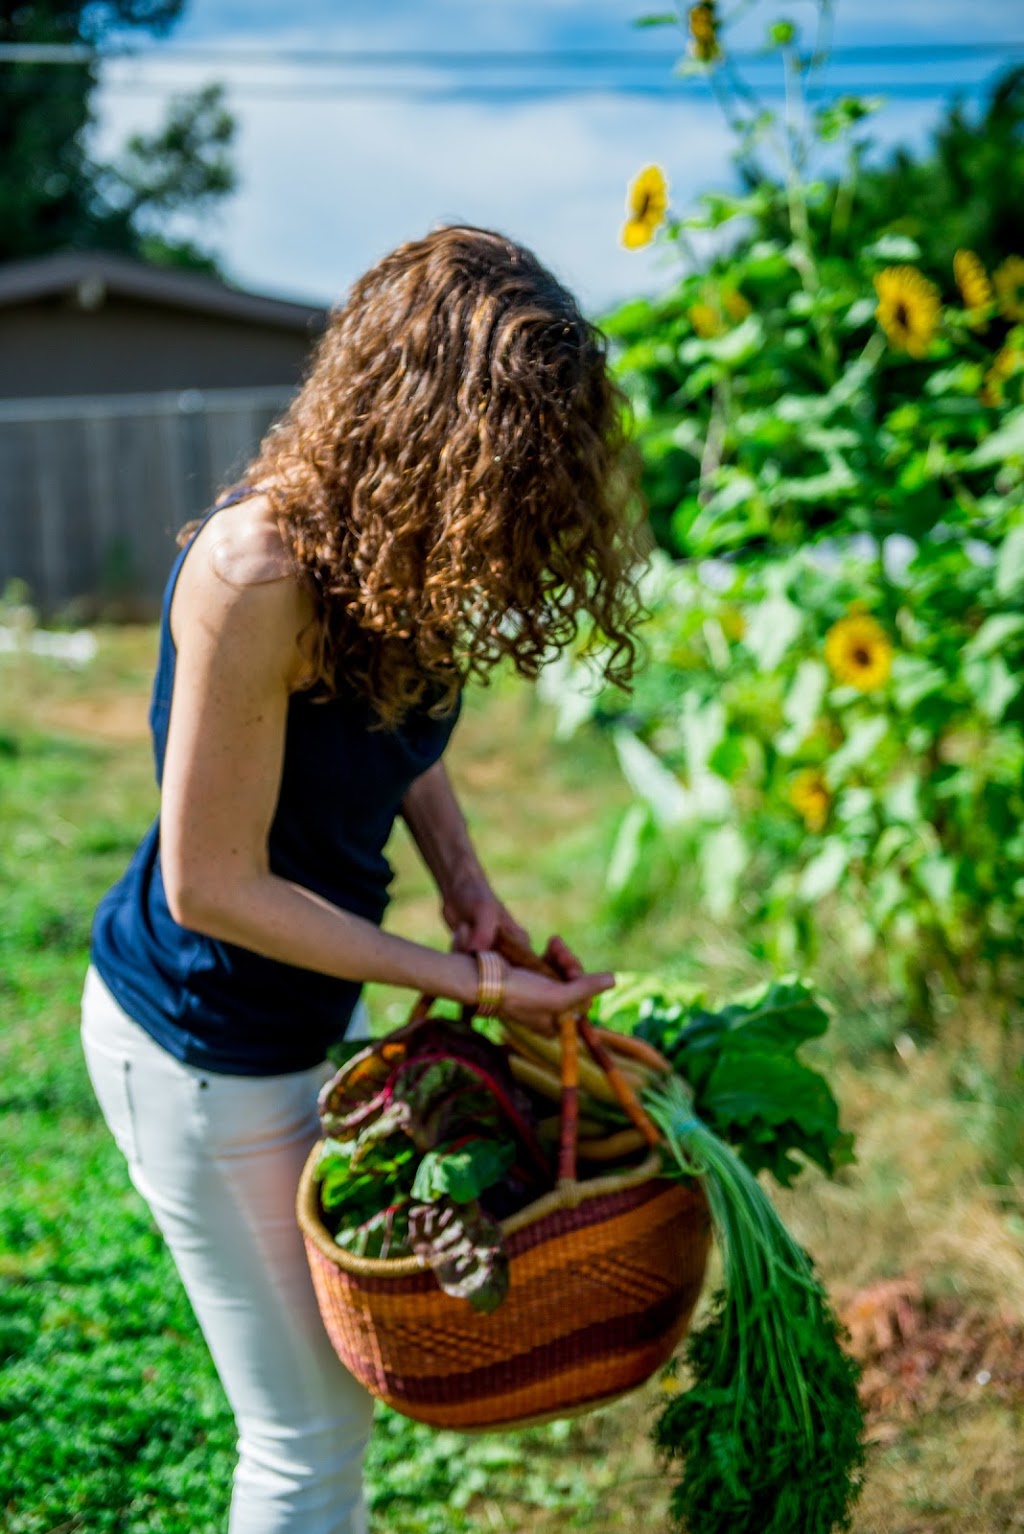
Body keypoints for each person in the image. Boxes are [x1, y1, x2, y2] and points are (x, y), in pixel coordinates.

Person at [80, 225, 645, 1534]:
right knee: (305, 1441)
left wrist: (468, 888)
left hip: (295, 1023)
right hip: (201, 1047)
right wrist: (468, 981)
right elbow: (209, 883)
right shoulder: (254, 571)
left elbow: (391, 736)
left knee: (330, 1414)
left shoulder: (394, 547)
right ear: (416, 421)